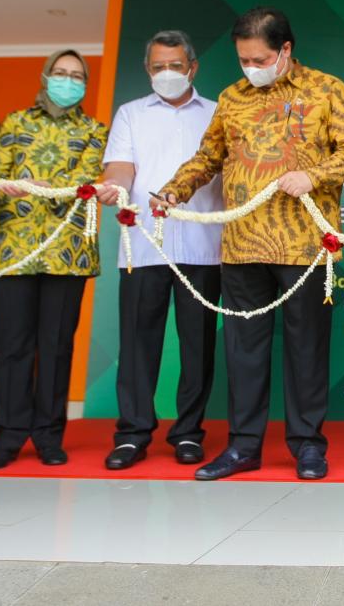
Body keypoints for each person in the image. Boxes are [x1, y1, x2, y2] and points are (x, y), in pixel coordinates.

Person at [156, 7, 344, 481]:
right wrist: (174, 189)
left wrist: (312, 175)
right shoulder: (232, 97)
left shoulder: (327, 90)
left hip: (304, 243)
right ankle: (243, 446)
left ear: (285, 50)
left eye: (260, 58)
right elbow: (208, 156)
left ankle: (308, 446)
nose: (251, 67)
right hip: (243, 245)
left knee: (305, 348)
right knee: (243, 350)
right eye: (243, 59)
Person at [0, 50, 108, 470]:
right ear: (46, 76)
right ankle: (8, 436)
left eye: (77, 75)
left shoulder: (95, 131)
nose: (68, 81)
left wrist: (37, 185)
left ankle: (49, 436)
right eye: (61, 73)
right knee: (12, 347)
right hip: (12, 249)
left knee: (56, 346)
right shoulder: (16, 122)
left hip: (66, 252)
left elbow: (86, 183)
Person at [98, 31, 223, 470]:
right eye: (157, 67)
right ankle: (132, 434)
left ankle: (188, 433)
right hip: (143, 246)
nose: (166, 74)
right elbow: (119, 166)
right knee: (137, 344)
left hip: (205, 247)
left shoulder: (219, 113)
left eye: (174, 65)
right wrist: (112, 187)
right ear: (147, 70)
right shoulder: (131, 114)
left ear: (192, 67)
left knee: (198, 346)